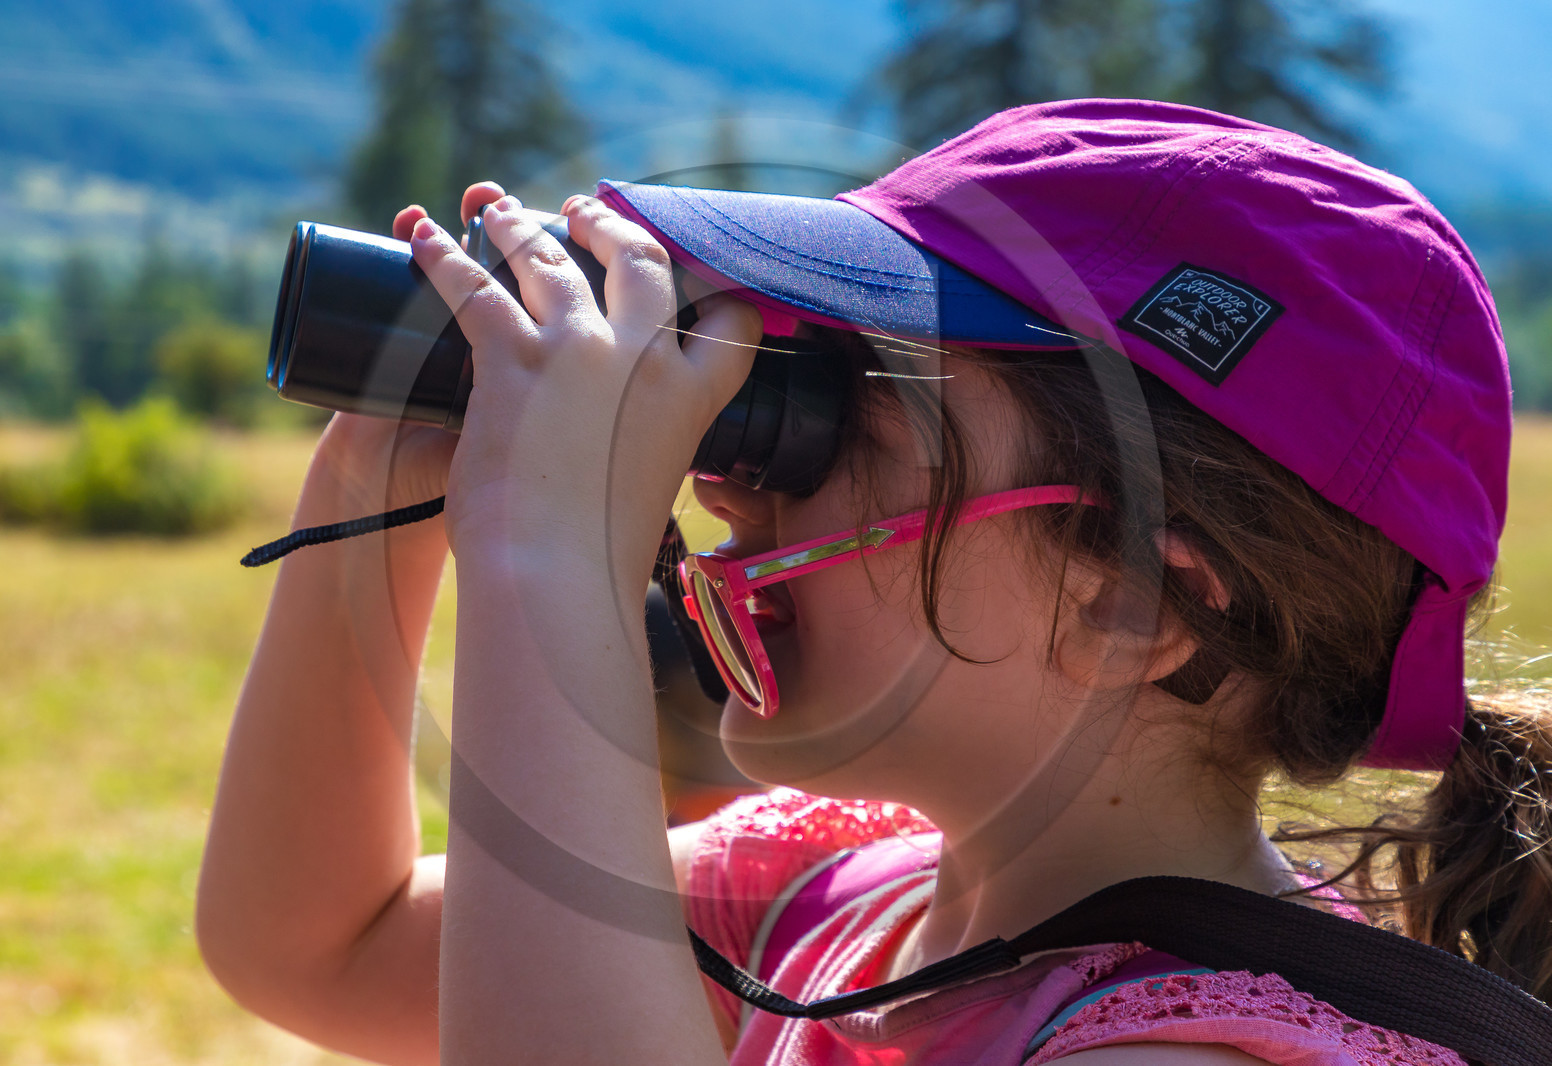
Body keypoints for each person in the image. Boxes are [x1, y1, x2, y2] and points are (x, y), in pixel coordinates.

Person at [196, 99, 1545, 1065]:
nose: (725, 478)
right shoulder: (837, 894)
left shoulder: (1201, 1048)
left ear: (1132, 599)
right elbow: (324, 944)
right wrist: (384, 471)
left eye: (851, 410)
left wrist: (550, 562)